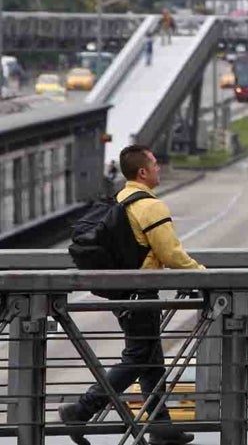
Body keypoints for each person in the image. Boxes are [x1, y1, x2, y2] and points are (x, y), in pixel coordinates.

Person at [59, 145, 204, 445]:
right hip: (141, 294)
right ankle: (81, 410)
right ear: (143, 172)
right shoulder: (151, 206)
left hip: (125, 292)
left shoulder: (120, 199)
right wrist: (202, 274)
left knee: (151, 361)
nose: (159, 168)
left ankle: (162, 427)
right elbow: (171, 254)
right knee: (138, 358)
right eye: (155, 164)